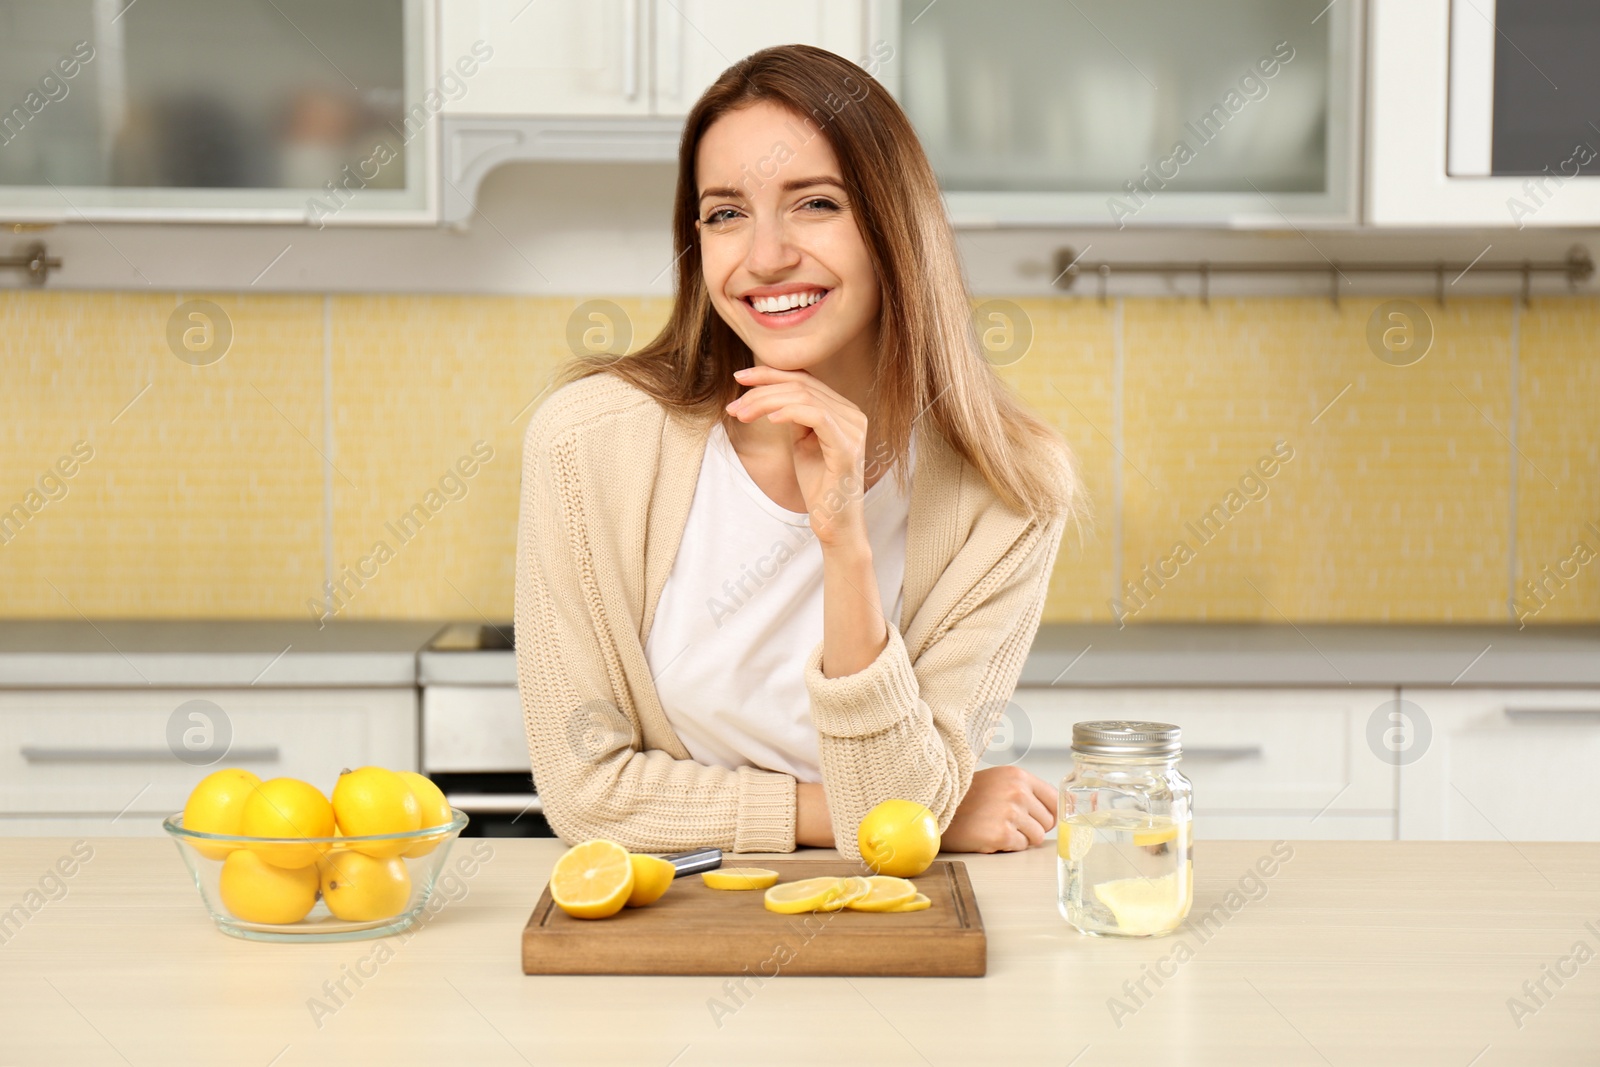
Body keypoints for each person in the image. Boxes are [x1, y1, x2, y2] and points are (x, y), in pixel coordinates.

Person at [514, 44, 1087, 862]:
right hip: (673, 937)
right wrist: (880, 814)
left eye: (814, 203)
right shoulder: (587, 444)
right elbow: (588, 795)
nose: (766, 256)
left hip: (892, 938)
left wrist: (844, 543)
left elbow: (897, 814)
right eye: (725, 213)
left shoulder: (1010, 493)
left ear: (894, 223)